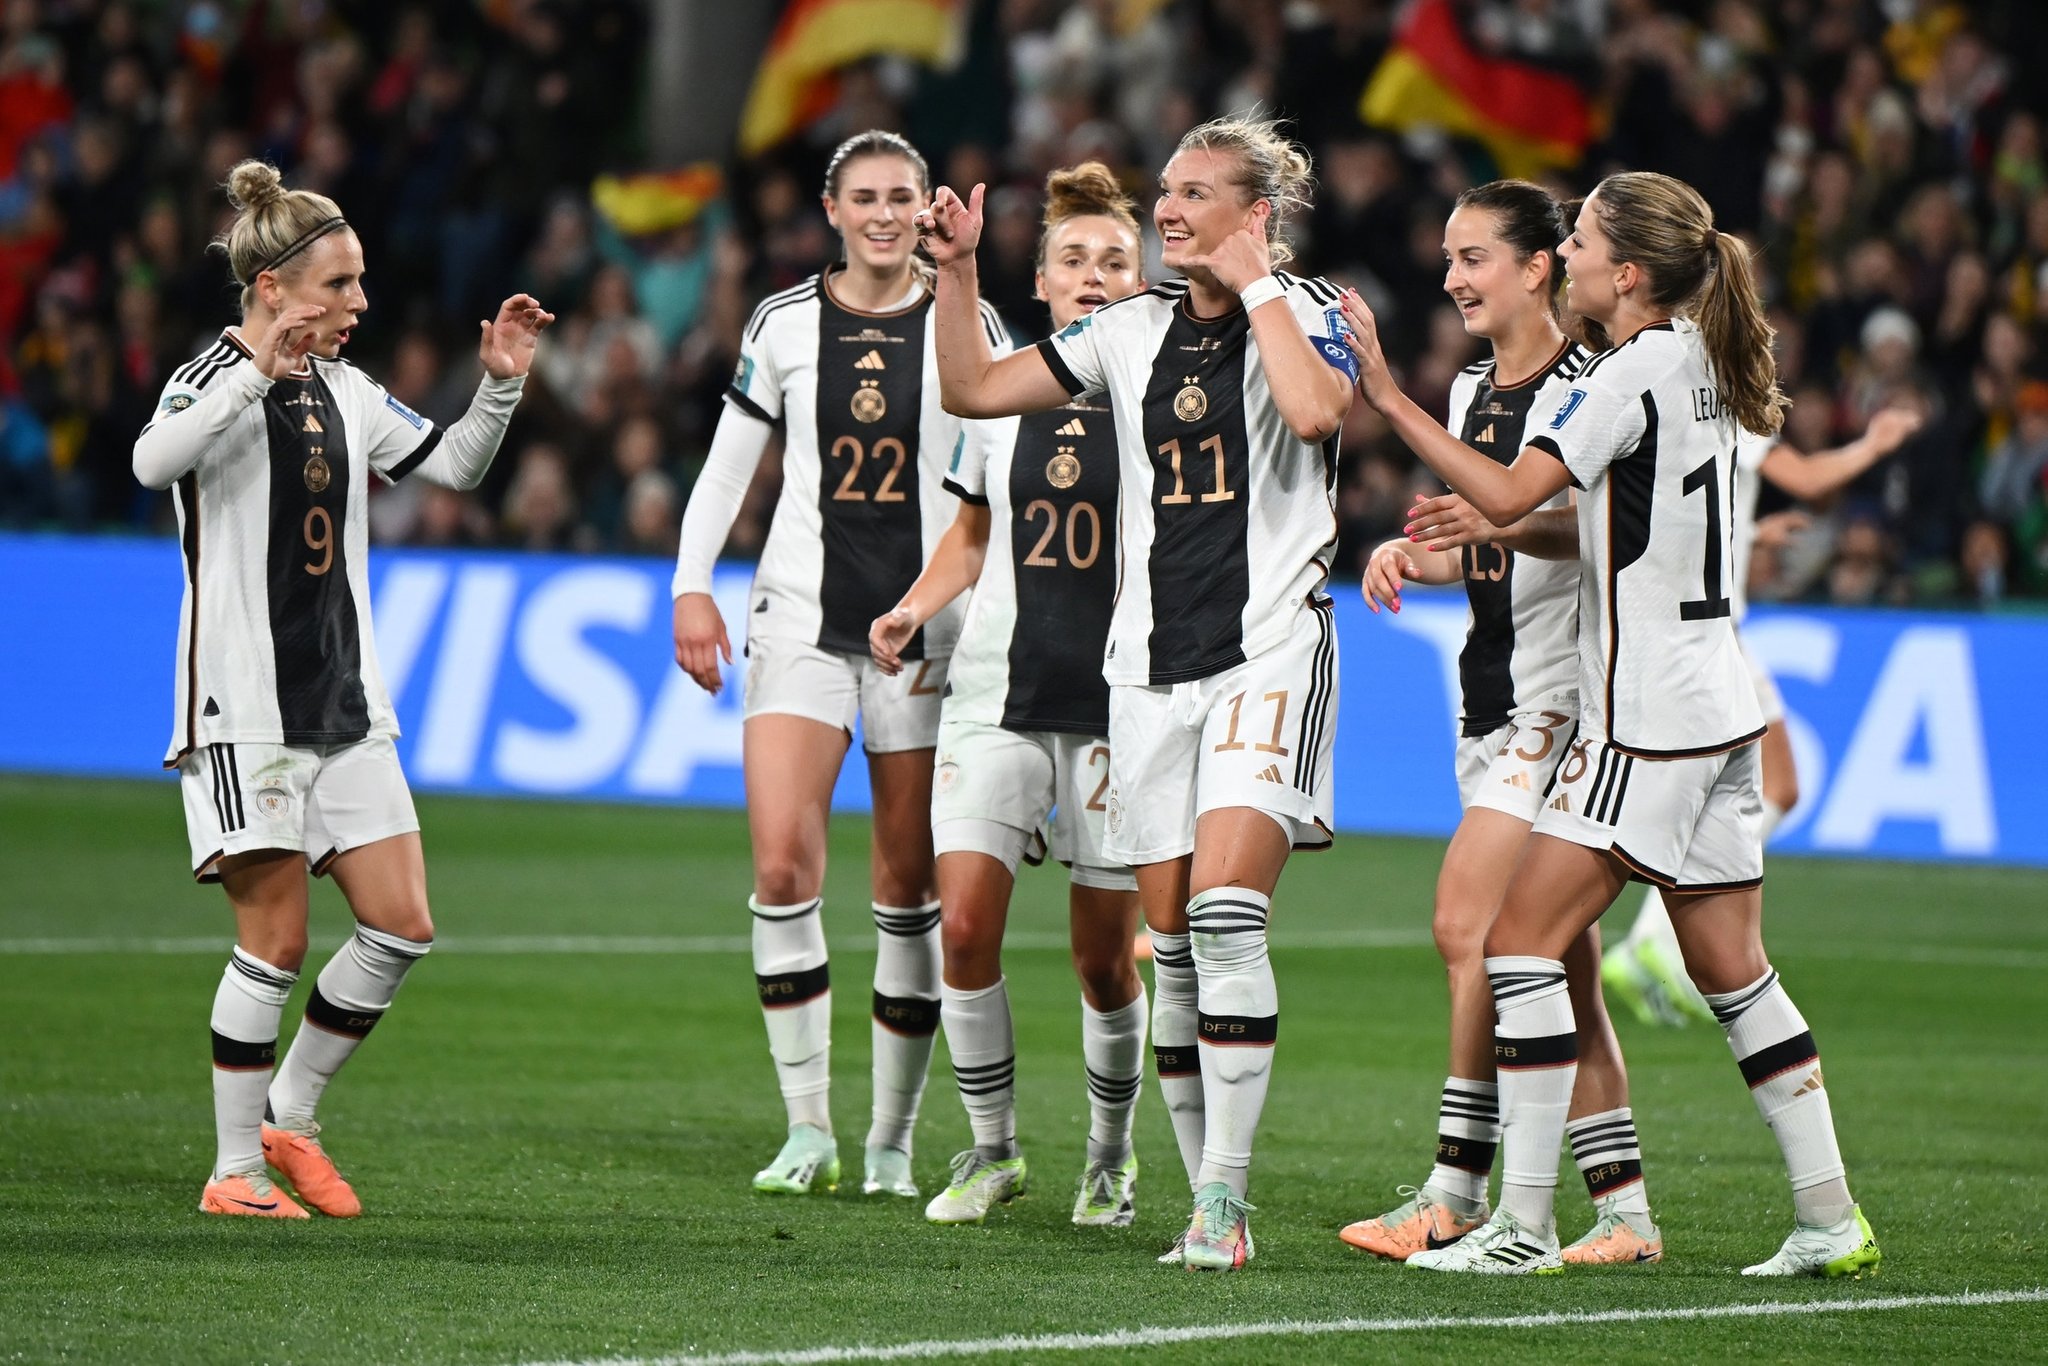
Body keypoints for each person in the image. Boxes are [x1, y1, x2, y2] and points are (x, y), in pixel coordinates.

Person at [1343, 171, 1879, 1278]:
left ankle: (1520, 1225)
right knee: (1734, 973)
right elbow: (1581, 525)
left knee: (1517, 944)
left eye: (1580, 238)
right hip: (1723, 702)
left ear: (1623, 272)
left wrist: (1388, 399)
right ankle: (1830, 1218)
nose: (1570, 251)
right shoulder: (1710, 363)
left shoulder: (1626, 371)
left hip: (1648, 720)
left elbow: (1506, 497)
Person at [916, 115, 1357, 1270]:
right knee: (1168, 940)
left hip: (1269, 650)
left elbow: (1315, 415)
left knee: (1220, 915)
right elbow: (969, 385)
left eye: (1192, 194)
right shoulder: (1126, 330)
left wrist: (1258, 283)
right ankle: (1183, 1185)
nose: (1165, 211)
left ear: (1251, 216)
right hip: (1145, 673)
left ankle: (1222, 1201)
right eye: (1163, 190)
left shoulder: (1304, 312)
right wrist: (958, 272)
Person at [131, 160, 551, 1219]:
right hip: (244, 704)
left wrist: (498, 383)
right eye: (337, 285)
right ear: (272, 285)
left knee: (401, 923)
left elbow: (449, 467)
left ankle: (292, 1111)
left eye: (359, 284)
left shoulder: (347, 389)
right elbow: (149, 463)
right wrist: (246, 373)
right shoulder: (206, 380)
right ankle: (233, 1172)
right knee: (271, 941)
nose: (358, 304)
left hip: (346, 702)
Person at [669, 130, 1011, 1199]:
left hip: (918, 632)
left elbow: (999, 486)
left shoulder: (971, 319)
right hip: (798, 621)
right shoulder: (781, 322)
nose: (883, 213)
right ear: (829, 208)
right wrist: (691, 582)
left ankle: (890, 1138)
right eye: (863, 196)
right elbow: (731, 464)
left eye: (900, 196)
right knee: (780, 867)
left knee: (904, 893)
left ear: (925, 208)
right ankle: (806, 1125)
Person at [1338, 182, 1660, 1266]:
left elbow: (1586, 531)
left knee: (1466, 925)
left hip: (1557, 704)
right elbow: (1488, 534)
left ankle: (1458, 1188)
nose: (1450, 277)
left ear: (1535, 269)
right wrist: (1414, 554)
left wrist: (1383, 393)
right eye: (1446, 256)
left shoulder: (1589, 383)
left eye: (1472, 256)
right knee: (1555, 965)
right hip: (1486, 701)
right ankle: (1621, 1210)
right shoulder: (1479, 385)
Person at [869, 163, 1149, 1229]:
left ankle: (1109, 1157)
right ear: (1039, 281)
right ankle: (991, 1151)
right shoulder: (995, 393)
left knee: (1099, 959)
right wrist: (911, 604)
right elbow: (973, 531)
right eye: (1072, 259)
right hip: (995, 690)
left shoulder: (1166, 395)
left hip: (1119, 702)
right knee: (966, 930)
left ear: (1143, 279)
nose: (1091, 274)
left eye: (1113, 259)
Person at [1602, 404, 1924, 1025]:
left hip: (1697, 631)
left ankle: (1653, 942)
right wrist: (1875, 444)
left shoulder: (1672, 399)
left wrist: (1752, 535)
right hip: (1716, 635)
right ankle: (1655, 942)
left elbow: (1680, 511)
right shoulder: (1723, 401)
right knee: (1766, 787)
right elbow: (1805, 477)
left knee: (1744, 790)